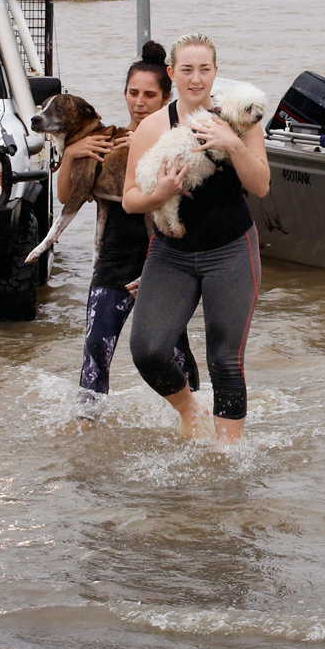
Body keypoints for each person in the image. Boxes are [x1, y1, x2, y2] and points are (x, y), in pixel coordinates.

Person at [124, 33, 270, 444]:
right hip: (172, 254)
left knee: (225, 359)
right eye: (186, 70)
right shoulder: (152, 126)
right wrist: (160, 194)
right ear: (172, 74)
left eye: (204, 69)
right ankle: (189, 409)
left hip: (231, 250)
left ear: (215, 73)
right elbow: (130, 201)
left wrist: (232, 145)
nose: (196, 78)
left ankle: (227, 456)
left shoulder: (240, 118)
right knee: (148, 349)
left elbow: (261, 186)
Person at [57, 42, 200, 420]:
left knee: (177, 355)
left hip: (165, 267)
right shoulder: (108, 141)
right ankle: (85, 434)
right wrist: (72, 153)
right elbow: (66, 197)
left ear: (167, 97)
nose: (139, 102)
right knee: (95, 356)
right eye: (133, 93)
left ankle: (198, 425)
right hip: (114, 264)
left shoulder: (181, 142)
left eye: (150, 94)